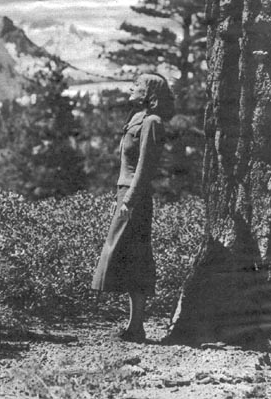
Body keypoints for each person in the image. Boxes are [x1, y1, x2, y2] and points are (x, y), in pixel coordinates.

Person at [92, 73, 175, 343]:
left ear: (149, 93)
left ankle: (136, 327)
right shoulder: (136, 119)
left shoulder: (152, 122)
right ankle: (134, 327)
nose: (131, 88)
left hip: (135, 198)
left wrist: (129, 201)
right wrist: (120, 197)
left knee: (135, 258)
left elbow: (144, 168)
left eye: (137, 86)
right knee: (128, 256)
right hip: (126, 194)